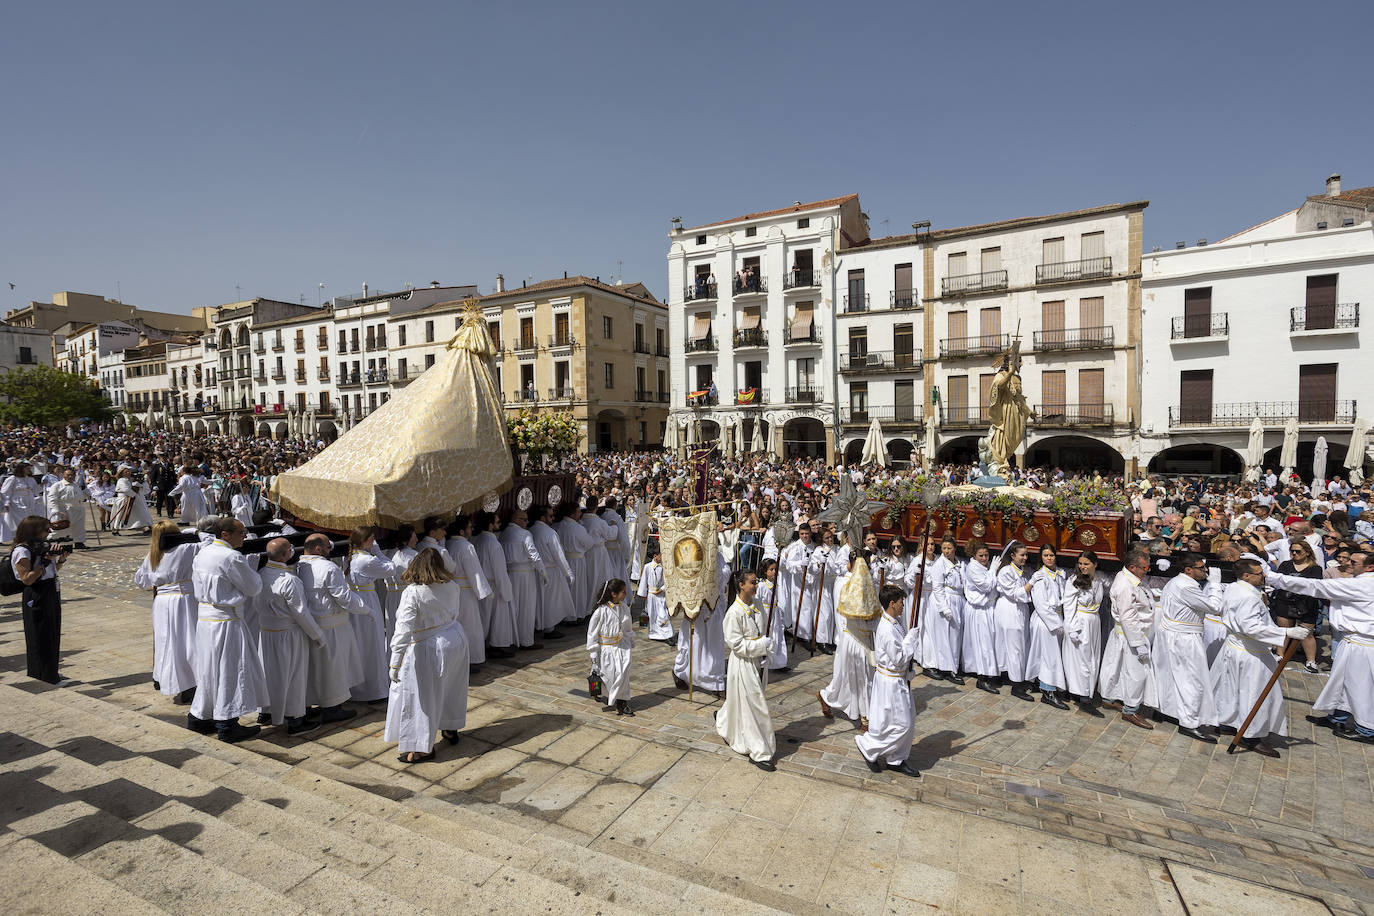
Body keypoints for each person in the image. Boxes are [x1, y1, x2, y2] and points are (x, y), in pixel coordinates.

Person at [1266, 550, 1374, 743]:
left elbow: (1314, 586)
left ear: (1370, 567)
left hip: (1362, 644)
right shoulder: (1359, 581)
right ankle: (1338, 716)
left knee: (1360, 685)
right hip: (1352, 641)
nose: (1348, 563)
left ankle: (1367, 728)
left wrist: (1274, 577)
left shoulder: (1363, 583)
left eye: (1353, 561)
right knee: (1341, 681)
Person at [1211, 558, 1310, 757]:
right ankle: (1251, 735)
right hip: (1251, 653)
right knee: (1253, 692)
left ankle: (1228, 722)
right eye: (1259, 573)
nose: (1263, 576)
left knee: (1231, 688)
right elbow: (1251, 627)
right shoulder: (1248, 597)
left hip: (1234, 647)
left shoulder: (1233, 588)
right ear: (1246, 576)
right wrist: (1287, 632)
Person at [386, 547, 471, 764]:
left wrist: (395, 662)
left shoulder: (413, 592)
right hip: (455, 639)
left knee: (422, 697)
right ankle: (450, 727)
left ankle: (423, 748)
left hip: (429, 645)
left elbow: (403, 628)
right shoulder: (452, 585)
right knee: (452, 687)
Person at [188, 517, 268, 742]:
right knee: (230, 670)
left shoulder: (203, 553)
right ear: (225, 534)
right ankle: (227, 723)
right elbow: (253, 587)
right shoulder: (231, 556)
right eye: (241, 532)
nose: (244, 536)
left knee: (208, 669)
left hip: (206, 620)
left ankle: (200, 717)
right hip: (226, 621)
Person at [297, 532, 368, 724]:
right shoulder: (328, 567)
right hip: (332, 624)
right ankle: (332, 708)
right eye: (329, 547)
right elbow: (343, 597)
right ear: (318, 548)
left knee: (315, 669)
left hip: (312, 623)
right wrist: (365, 608)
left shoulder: (299, 566)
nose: (331, 551)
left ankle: (312, 703)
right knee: (333, 668)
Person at [256, 537, 324, 734]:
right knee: (294, 675)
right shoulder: (290, 581)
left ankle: (267, 711)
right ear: (285, 555)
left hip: (267, 633)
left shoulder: (260, 574)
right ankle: (296, 718)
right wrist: (317, 635)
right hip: (288, 634)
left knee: (270, 674)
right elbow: (301, 612)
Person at [1152, 552, 1221, 743]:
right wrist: (1215, 584)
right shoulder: (1186, 587)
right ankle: (1190, 722)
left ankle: (1167, 710)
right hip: (1184, 638)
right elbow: (1214, 606)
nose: (1205, 570)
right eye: (1201, 568)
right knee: (1192, 679)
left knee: (1171, 676)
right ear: (1189, 570)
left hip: (1174, 634)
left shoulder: (1177, 582)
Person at [855, 583, 923, 777]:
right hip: (890, 682)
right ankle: (869, 747)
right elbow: (900, 658)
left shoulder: (895, 621)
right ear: (892, 603)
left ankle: (896, 759)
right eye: (901, 602)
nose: (903, 605)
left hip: (897, 679)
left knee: (898, 721)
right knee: (902, 724)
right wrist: (911, 639)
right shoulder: (886, 628)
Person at [715, 569, 776, 771]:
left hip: (758, 661)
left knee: (749, 703)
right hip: (742, 664)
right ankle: (759, 750)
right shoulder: (733, 613)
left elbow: (762, 629)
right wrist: (761, 646)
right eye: (752, 583)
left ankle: (726, 718)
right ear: (741, 585)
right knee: (754, 706)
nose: (756, 586)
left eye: (756, 582)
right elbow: (737, 645)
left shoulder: (757, 604)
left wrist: (766, 651)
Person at [134, 519, 199, 703]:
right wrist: (193, 532)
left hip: (162, 602)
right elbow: (209, 542)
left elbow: (140, 581)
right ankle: (191, 683)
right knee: (189, 641)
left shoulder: (153, 555)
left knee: (167, 641)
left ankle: (167, 679)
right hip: (184, 599)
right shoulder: (186, 549)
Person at [817, 555, 880, 730]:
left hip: (862, 638)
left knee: (849, 678)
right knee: (861, 678)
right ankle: (865, 717)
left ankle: (826, 695)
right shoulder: (845, 585)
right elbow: (844, 615)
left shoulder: (868, 587)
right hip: (852, 639)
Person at [1099, 547, 1157, 730]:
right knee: (1136, 673)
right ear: (1133, 567)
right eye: (1144, 567)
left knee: (1115, 666)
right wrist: (1138, 644)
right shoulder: (1125, 585)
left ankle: (1109, 698)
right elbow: (1128, 616)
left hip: (1126, 635)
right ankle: (1131, 710)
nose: (1147, 570)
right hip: (1131, 635)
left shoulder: (1129, 577)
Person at [12, 514, 70, 684]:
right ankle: (42, 675)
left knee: (52, 633)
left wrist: (60, 560)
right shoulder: (22, 551)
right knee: (40, 635)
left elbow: (52, 571)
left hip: (50, 590)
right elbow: (27, 579)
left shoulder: (40, 546)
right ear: (34, 531)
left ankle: (50, 673)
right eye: (45, 530)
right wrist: (43, 562)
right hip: (37, 594)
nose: (48, 533)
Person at [346, 526, 400, 701]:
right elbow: (391, 568)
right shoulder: (366, 560)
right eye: (372, 539)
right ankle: (374, 690)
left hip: (356, 600)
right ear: (365, 541)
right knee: (373, 644)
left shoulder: (352, 557)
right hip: (367, 600)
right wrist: (377, 551)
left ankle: (359, 689)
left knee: (361, 644)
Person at [1060, 550, 1106, 716]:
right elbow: (1068, 606)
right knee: (1082, 660)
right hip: (1080, 623)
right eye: (1080, 564)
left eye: (1086, 564)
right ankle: (1083, 696)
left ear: (1095, 564)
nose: (1082, 567)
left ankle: (1088, 691)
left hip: (1094, 622)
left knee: (1092, 657)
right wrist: (1071, 629)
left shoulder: (1099, 580)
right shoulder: (1074, 581)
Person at [1269, 539, 1323, 674]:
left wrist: (1292, 584)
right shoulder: (1286, 565)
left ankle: (1311, 660)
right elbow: (1279, 581)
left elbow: (1313, 585)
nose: (1294, 553)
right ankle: (1280, 654)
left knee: (1307, 633)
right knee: (1284, 630)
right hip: (1285, 601)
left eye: (1298, 551)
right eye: (1292, 551)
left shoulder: (1315, 568)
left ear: (1307, 553)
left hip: (1306, 603)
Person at [445, 515, 494, 661]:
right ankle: (471, 658)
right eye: (469, 527)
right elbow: (474, 571)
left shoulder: (449, 544)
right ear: (462, 531)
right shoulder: (466, 546)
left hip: (452, 589)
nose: (472, 529)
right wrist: (485, 592)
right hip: (466, 591)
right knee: (470, 625)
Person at [1026, 544, 1068, 709]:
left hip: (1057, 618)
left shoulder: (1060, 574)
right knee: (1049, 656)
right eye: (1045, 556)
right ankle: (1048, 691)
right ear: (1041, 558)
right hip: (1045, 621)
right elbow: (1042, 605)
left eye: (1051, 555)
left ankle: (1048, 684)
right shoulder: (1040, 576)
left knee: (1053, 655)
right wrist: (1056, 624)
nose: (1049, 558)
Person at [586, 578, 635, 715]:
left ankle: (622, 701)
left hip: (620, 646)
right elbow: (592, 633)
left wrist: (630, 639)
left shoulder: (624, 608)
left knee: (623, 673)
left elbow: (627, 626)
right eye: (623, 592)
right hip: (605, 649)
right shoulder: (600, 612)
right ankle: (600, 690)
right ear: (613, 593)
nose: (625, 595)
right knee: (608, 674)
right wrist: (593, 650)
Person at [500, 509, 546, 649]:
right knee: (527, 607)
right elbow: (534, 555)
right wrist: (543, 573)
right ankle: (526, 641)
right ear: (516, 519)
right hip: (525, 574)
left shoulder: (504, 534)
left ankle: (512, 639)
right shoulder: (524, 534)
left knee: (513, 607)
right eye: (524, 519)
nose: (527, 522)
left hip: (510, 574)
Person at [994, 541, 1034, 701]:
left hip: (1020, 609)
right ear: (1012, 555)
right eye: (1022, 555)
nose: (1025, 558)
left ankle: (1010, 675)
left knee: (1020, 644)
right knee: (1015, 646)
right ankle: (1017, 685)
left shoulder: (1023, 571)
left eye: (1026, 555)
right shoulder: (1006, 571)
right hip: (1009, 609)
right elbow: (1015, 593)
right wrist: (1031, 584)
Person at [472, 512, 516, 657]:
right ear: (490, 525)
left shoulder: (477, 540)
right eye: (497, 522)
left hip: (483, 584)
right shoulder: (493, 544)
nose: (499, 524)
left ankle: (485, 644)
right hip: (494, 585)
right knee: (498, 617)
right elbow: (499, 571)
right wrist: (506, 591)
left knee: (484, 616)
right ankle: (496, 645)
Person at [922, 536, 965, 684]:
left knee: (955, 635)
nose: (946, 551)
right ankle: (947, 668)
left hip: (957, 599)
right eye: (944, 548)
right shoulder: (940, 564)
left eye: (949, 548)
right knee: (945, 636)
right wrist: (944, 607)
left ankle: (953, 665)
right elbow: (938, 588)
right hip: (945, 601)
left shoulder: (959, 563)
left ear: (955, 548)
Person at [528, 506, 573, 638]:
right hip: (551, 571)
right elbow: (558, 555)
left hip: (536, 571)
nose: (553, 519)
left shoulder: (532, 530)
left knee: (539, 600)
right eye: (550, 516)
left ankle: (539, 624)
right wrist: (568, 573)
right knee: (551, 601)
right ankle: (549, 627)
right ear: (543, 517)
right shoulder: (549, 533)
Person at [961, 540, 999, 692]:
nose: (984, 558)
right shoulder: (972, 568)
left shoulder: (984, 566)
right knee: (982, 644)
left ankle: (990, 673)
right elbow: (986, 586)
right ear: (974, 555)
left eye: (986, 555)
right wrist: (993, 571)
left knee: (989, 642)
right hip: (978, 610)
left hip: (988, 608)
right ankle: (982, 677)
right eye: (981, 556)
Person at [636, 543, 674, 644]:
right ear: (655, 556)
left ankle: (668, 634)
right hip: (651, 596)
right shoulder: (648, 567)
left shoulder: (664, 567)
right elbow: (644, 581)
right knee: (653, 615)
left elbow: (668, 581)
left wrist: (662, 589)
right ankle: (655, 633)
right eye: (661, 555)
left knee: (663, 615)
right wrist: (643, 594)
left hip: (660, 595)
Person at [45, 466, 89, 549]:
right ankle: (53, 541)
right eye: (68, 475)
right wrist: (54, 509)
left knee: (78, 527)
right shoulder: (57, 485)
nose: (70, 476)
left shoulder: (76, 485)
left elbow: (80, 497)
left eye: (72, 475)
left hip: (78, 508)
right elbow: (52, 498)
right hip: (64, 509)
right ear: (63, 475)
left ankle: (79, 542)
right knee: (62, 526)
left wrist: (86, 493)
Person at [756, 557, 787, 671]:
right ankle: (765, 661)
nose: (774, 572)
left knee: (778, 636)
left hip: (775, 613)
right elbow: (756, 600)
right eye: (771, 569)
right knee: (768, 636)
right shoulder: (761, 586)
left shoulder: (777, 584)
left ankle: (779, 663)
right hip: (766, 612)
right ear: (765, 571)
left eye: (775, 569)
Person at [2, 462, 43, 542]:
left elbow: (35, 490)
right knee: (19, 519)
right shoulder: (13, 479)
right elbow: (5, 491)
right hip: (17, 502)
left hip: (29, 501)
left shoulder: (30, 479)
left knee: (29, 518)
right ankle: (18, 536)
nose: (29, 470)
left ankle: (27, 536)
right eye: (27, 468)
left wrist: (41, 486)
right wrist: (6, 502)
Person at [110, 467, 154, 534]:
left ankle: (143, 526)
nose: (128, 473)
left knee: (139, 513)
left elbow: (131, 488)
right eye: (126, 472)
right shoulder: (121, 480)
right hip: (123, 499)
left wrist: (138, 486)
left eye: (129, 471)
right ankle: (116, 528)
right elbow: (126, 489)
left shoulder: (129, 480)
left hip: (131, 498)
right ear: (122, 473)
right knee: (121, 515)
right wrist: (134, 495)